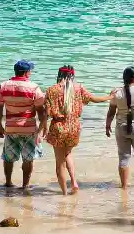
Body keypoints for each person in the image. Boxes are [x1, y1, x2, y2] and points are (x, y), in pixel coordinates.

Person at [41, 65, 111, 195]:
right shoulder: (79, 88)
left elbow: (46, 112)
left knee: (60, 163)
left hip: (58, 127)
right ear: (72, 76)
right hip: (74, 127)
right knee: (67, 153)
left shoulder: (51, 90)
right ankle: (74, 182)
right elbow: (93, 99)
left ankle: (64, 194)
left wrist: (44, 128)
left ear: (59, 75)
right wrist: (110, 97)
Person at [0, 60, 47, 189]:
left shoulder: (3, 86)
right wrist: (42, 129)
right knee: (28, 158)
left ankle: (8, 182)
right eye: (30, 71)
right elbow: (41, 112)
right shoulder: (33, 87)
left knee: (8, 157)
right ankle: (25, 185)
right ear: (26, 72)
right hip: (29, 128)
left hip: (10, 127)